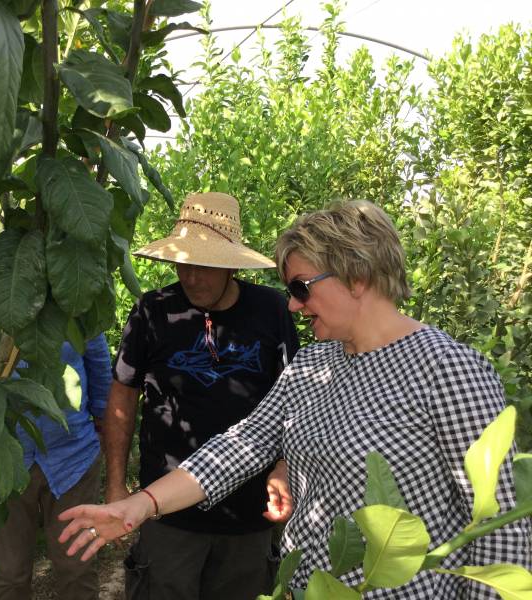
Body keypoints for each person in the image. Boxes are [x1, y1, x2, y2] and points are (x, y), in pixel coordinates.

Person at [59, 200, 532, 599]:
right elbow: (241, 446)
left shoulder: (450, 371)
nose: (291, 305)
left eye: (301, 287)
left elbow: (501, 529)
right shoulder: (314, 366)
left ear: (358, 275)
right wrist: (141, 505)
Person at [104, 192, 299, 599]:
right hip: (167, 511)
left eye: (205, 265)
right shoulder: (152, 312)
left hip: (249, 513)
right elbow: (123, 398)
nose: (191, 277)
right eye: (183, 263)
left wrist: (282, 464)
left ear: (231, 265)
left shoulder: (271, 311)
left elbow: (293, 398)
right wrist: (116, 485)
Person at [0, 335, 112, 600]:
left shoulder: (68, 298)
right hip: (3, 459)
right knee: (8, 573)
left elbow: (96, 354)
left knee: (76, 566)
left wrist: (103, 415)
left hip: (73, 454)